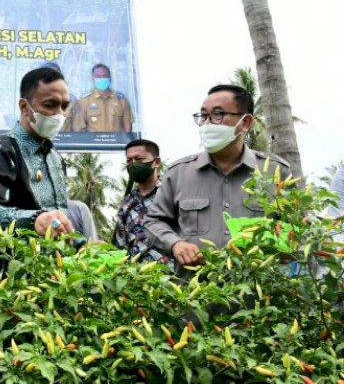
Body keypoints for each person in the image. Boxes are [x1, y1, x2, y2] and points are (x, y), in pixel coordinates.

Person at [144, 85, 289, 271]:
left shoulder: (276, 173)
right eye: (203, 116)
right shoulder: (178, 173)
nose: (207, 124)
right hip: (197, 294)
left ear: (245, 122)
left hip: (260, 293)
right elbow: (153, 222)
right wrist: (175, 244)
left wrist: (284, 243)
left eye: (218, 115)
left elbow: (295, 230)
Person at [0, 67, 74, 237]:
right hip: (16, 260)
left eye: (64, 106)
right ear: (24, 107)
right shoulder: (0, 150)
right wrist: (34, 220)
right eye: (50, 105)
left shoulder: (55, 157)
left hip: (57, 260)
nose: (60, 114)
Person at [114, 139, 172, 267]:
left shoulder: (172, 194)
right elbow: (121, 248)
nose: (133, 164)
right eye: (129, 160)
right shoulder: (126, 205)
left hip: (172, 277)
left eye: (139, 159)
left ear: (156, 162)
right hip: (138, 279)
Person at [69, 63, 133, 133]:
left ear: (110, 78)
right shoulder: (84, 101)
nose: (102, 78)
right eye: (98, 76)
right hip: (93, 143)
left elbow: (127, 126)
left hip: (116, 142)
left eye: (105, 76)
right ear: (93, 79)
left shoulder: (121, 100)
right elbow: (80, 127)